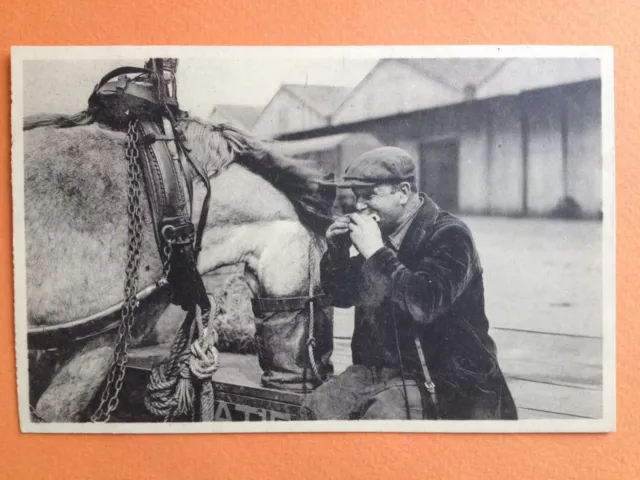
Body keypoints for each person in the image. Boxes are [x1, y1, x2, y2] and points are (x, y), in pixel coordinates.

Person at [301, 146, 517, 420]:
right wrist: (337, 249)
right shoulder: (383, 234)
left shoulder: (450, 235)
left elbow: (424, 303)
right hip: (380, 373)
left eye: (369, 196)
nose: (359, 206)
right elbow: (341, 295)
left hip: (449, 378)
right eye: (356, 197)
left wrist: (376, 253)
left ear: (403, 192)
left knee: (380, 424)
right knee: (315, 410)